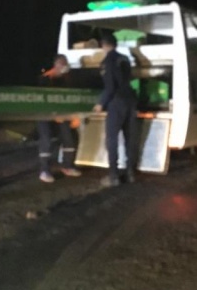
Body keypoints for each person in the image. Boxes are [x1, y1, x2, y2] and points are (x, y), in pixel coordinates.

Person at [93, 33, 138, 187]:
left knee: (112, 139)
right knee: (129, 138)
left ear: (104, 45)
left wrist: (101, 103)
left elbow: (110, 86)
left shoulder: (107, 61)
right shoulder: (124, 59)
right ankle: (130, 173)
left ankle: (114, 176)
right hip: (130, 100)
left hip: (116, 103)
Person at [37, 54, 82, 183]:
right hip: (45, 114)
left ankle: (68, 166)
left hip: (62, 115)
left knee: (70, 138)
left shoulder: (67, 78)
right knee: (47, 140)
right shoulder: (45, 78)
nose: (65, 66)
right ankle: (44, 170)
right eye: (62, 63)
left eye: (66, 63)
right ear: (56, 64)